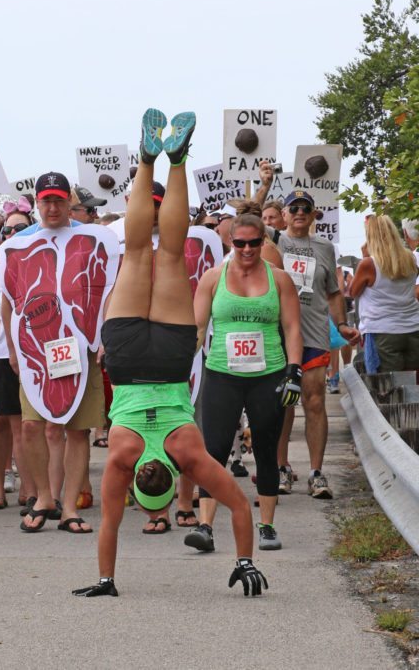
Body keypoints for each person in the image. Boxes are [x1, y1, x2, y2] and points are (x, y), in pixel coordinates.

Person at [73, 109, 268, 598]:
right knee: (140, 250)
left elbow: (239, 507)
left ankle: (175, 159)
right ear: (141, 484)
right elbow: (111, 527)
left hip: (170, 360)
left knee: (169, 249)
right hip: (129, 359)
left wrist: (246, 562)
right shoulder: (123, 457)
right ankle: (148, 158)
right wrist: (105, 579)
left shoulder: (187, 455)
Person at [1, 172, 111, 535]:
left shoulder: (94, 239)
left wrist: (104, 335)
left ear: (69, 203)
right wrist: (15, 350)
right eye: (45, 200)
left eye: (58, 200)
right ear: (37, 202)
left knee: (77, 430)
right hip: (37, 348)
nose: (52, 207)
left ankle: (69, 507)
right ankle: (44, 497)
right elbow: (9, 303)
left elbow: (108, 290)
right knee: (33, 425)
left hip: (81, 347)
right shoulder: (18, 245)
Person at [193, 214, 302, 551]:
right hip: (223, 373)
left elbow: (292, 328)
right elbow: (197, 329)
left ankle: (267, 526)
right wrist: (181, 371)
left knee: (267, 451)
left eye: (253, 242)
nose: (246, 249)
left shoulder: (280, 279)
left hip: (267, 374)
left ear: (264, 242)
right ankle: (205, 527)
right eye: (239, 243)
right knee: (213, 451)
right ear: (230, 242)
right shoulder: (212, 278)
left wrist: (294, 370)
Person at [275, 190, 359, 499]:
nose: (299, 212)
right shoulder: (275, 242)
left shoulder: (325, 248)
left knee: (314, 401)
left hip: (313, 335)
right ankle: (281, 468)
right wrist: (263, 183)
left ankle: (315, 473)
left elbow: (334, 292)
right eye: (293, 208)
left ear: (313, 215)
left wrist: (342, 325)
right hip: (279, 337)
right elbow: (249, 216)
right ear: (284, 214)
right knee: (283, 404)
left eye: (305, 209)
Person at [0, 212, 36, 510]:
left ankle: (31, 488)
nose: (13, 233)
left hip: (36, 355)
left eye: (21, 228)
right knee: (2, 423)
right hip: (2, 357)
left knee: (29, 425)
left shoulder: (44, 264)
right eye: (7, 230)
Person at [351, 215, 419, 373]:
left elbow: (353, 291)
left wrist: (366, 257)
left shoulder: (369, 264)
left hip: (383, 330)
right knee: (413, 386)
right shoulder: (411, 258)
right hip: (413, 326)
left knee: (387, 387)